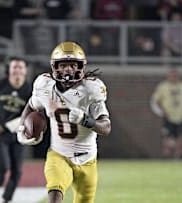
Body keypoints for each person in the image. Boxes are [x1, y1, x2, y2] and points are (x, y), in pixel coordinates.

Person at [16, 41, 111, 203]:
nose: (68, 70)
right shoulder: (45, 86)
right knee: (54, 194)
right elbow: (31, 105)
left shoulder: (90, 89)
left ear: (81, 67)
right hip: (59, 155)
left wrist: (85, 120)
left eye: (73, 65)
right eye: (63, 65)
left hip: (88, 159)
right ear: (54, 67)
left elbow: (106, 127)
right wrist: (21, 127)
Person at [0, 57, 32, 203]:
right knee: (3, 166)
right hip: (0, 132)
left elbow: (35, 111)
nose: (17, 70)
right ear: (9, 69)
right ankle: (0, 173)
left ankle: (6, 199)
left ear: (25, 71)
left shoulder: (29, 90)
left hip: (18, 134)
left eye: (20, 67)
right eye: (14, 67)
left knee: (17, 170)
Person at [152, 68, 182, 159]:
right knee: (166, 135)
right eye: (172, 75)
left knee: (179, 135)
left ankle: (177, 155)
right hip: (168, 115)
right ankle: (166, 155)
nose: (174, 77)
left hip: (180, 115)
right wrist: (163, 110)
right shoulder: (163, 86)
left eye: (175, 75)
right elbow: (157, 99)